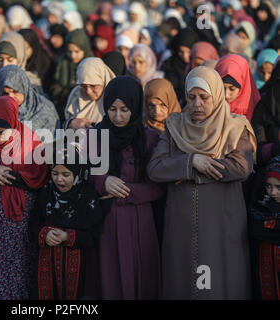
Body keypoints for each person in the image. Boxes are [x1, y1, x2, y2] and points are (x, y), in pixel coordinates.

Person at [147, 66, 256, 299]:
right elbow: (155, 168)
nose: (197, 104)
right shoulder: (175, 126)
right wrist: (191, 160)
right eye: (191, 97)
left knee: (221, 278)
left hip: (222, 221)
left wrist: (190, 171)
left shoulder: (235, 127)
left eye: (204, 98)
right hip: (182, 225)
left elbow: (241, 167)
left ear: (216, 96)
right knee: (183, 280)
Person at [93, 75, 163, 299]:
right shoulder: (95, 136)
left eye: (124, 109)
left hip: (140, 220)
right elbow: (84, 174)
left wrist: (127, 191)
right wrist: (103, 181)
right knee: (110, 278)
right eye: (112, 109)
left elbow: (159, 186)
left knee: (140, 278)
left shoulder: (150, 139)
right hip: (106, 221)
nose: (118, 116)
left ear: (135, 106)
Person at [0, 96, 49, 300]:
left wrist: (4, 174)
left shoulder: (31, 143)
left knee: (18, 274)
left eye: (0, 133)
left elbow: (39, 178)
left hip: (18, 229)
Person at [29, 140, 103, 300]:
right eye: (55, 173)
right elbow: (33, 224)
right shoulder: (46, 192)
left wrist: (68, 237)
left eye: (66, 174)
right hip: (46, 267)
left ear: (77, 174)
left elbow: (94, 235)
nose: (59, 180)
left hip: (79, 270)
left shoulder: (87, 197)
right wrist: (44, 234)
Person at [0, 31, 42, 109]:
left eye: (10, 60)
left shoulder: (31, 85)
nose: (4, 65)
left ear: (20, 59)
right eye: (0, 60)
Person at [0, 64, 59, 142]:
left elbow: (51, 144)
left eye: (15, 91)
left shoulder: (45, 109)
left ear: (24, 89)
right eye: (5, 93)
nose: (10, 97)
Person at [248, 156, 280, 300]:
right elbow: (255, 231)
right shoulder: (261, 206)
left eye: (279, 187)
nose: (272, 193)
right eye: (268, 186)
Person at [50, 29, 93, 121]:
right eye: (69, 51)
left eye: (77, 51)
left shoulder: (91, 64)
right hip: (63, 107)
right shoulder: (62, 62)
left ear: (84, 49)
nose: (73, 55)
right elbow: (54, 87)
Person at [64, 57, 116, 129]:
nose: (88, 91)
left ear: (103, 81)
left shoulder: (114, 99)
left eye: (93, 86)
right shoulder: (76, 94)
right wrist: (70, 123)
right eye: (84, 86)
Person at [215, 54, 260, 121]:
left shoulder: (255, 109)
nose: (226, 95)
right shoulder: (211, 105)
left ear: (243, 86)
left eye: (232, 89)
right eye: (222, 88)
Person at [160, 28, 199, 104]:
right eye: (181, 52)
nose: (185, 56)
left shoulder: (199, 65)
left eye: (188, 51)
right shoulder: (169, 65)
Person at [19, 28, 54, 92]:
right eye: (20, 48)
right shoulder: (14, 61)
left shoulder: (44, 63)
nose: (23, 52)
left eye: (26, 48)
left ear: (34, 47)